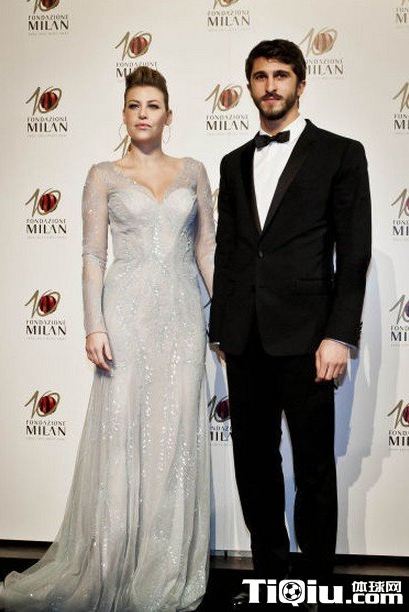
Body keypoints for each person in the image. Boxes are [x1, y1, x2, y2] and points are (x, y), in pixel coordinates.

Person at [0, 67, 215, 612]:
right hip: (126, 316)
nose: (143, 114)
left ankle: (163, 570)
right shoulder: (103, 175)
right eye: (134, 105)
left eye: (153, 105)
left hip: (183, 316)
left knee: (176, 439)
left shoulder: (194, 171)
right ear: (124, 114)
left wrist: (226, 319)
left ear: (168, 114)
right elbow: (93, 254)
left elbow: (207, 248)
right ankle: (113, 565)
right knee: (122, 438)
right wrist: (94, 323)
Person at [209, 39, 371, 607]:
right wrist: (222, 330)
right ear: (249, 86)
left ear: (301, 83)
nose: (270, 85)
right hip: (245, 339)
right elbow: (230, 251)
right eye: (260, 76)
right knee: (254, 468)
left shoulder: (341, 153)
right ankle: (271, 581)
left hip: (309, 340)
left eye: (281, 75)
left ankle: (317, 585)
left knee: (314, 469)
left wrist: (340, 334)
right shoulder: (232, 163)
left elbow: (354, 252)